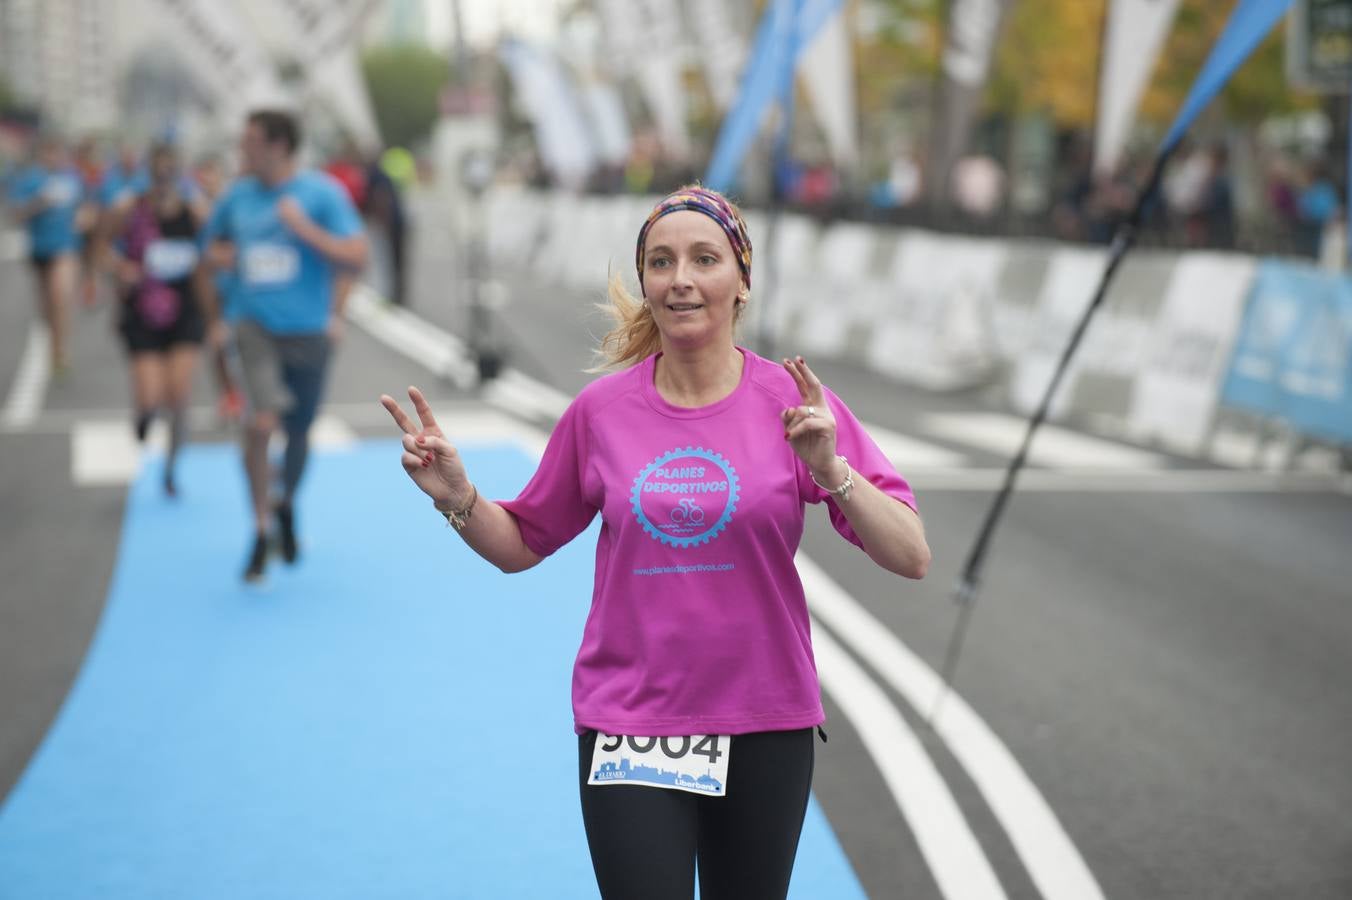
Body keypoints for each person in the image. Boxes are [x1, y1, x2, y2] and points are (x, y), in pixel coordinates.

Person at [381, 185, 930, 899]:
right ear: (645, 284)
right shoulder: (601, 413)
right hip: (631, 722)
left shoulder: (794, 407)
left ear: (742, 280)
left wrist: (831, 470)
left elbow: (911, 554)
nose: (682, 280)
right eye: (662, 262)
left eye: (705, 259)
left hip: (766, 719)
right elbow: (522, 542)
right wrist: (460, 499)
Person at [204, 109, 368, 583]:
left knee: (298, 432)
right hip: (253, 326)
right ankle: (259, 528)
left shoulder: (320, 194)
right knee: (261, 421)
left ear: (279, 146)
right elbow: (209, 248)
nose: (242, 149)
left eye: (251, 140)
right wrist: (223, 256)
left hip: (309, 332)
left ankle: (285, 504)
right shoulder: (237, 195)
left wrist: (303, 230)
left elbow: (357, 256)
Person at [105, 142, 210, 496]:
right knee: (151, 397)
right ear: (148, 172)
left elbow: (213, 251)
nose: (164, 178)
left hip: (185, 311)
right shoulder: (129, 208)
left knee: (178, 395)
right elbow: (101, 247)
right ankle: (143, 417)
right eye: (158, 171)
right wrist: (121, 269)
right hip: (144, 311)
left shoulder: (194, 211)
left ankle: (171, 467)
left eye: (170, 170)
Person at [6, 135, 90, 377]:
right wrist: (39, 202)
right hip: (39, 248)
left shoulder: (73, 178)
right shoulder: (30, 179)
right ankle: (51, 342)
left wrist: (84, 218)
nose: (53, 158)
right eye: (48, 153)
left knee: (61, 296)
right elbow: (16, 214)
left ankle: (60, 351)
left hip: (65, 248)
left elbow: (87, 205)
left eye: (56, 152)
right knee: (46, 306)